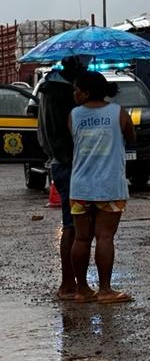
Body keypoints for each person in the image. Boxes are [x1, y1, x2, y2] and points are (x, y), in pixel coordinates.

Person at [68, 70, 135, 304]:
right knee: (105, 237)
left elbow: (73, 140)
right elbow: (131, 137)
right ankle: (105, 290)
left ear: (86, 92)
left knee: (81, 238)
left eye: (76, 89)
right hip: (109, 186)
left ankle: (82, 290)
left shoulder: (74, 115)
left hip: (80, 187)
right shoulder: (118, 112)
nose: (74, 94)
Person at [36, 55, 87, 300]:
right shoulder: (65, 96)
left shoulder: (47, 89)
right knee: (75, 227)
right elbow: (73, 131)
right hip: (72, 163)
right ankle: (71, 285)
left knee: (72, 225)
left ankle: (71, 284)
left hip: (59, 161)